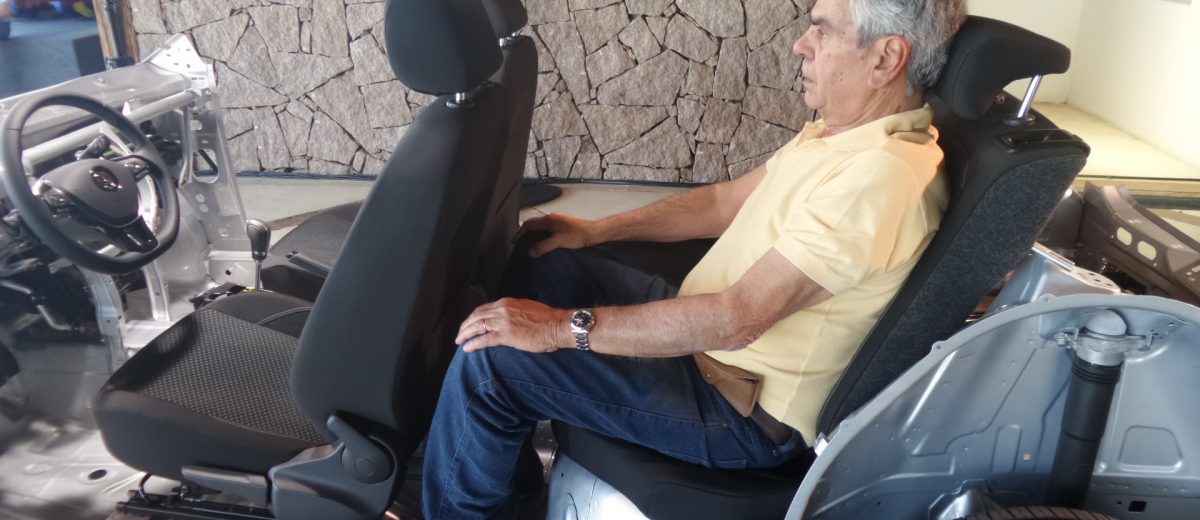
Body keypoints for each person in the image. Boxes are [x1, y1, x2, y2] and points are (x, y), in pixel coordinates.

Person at [423, 0, 967, 517]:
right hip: (707, 342)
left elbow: (737, 320)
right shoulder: (844, 135)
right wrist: (593, 231)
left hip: (734, 404)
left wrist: (558, 330)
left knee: (489, 365)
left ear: (886, 58)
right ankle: (500, 479)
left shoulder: (878, 178)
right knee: (543, 255)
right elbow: (723, 203)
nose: (801, 44)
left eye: (822, 30)